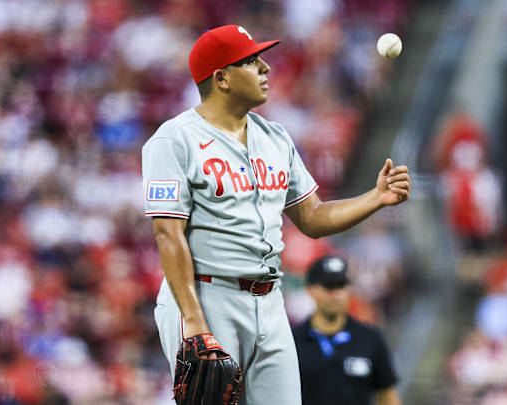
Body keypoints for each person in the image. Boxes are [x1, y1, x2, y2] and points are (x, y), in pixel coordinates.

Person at [141, 25, 411, 404]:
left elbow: (312, 217)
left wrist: (375, 198)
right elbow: (167, 234)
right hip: (208, 295)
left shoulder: (276, 137)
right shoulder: (175, 140)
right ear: (221, 78)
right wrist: (195, 322)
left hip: (269, 300)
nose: (266, 68)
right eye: (251, 62)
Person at [293, 255, 401, 405]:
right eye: (329, 286)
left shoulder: (370, 338)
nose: (336, 293)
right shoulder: (292, 340)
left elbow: (387, 395)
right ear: (310, 290)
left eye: (341, 285)